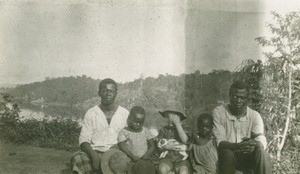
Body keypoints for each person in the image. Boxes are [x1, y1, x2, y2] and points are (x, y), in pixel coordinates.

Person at [71, 78, 129, 174]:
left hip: (116, 152)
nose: (108, 94)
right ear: (99, 93)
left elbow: (129, 138)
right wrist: (94, 157)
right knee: (77, 158)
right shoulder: (91, 113)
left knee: (123, 162)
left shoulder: (124, 113)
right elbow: (83, 140)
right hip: (95, 151)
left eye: (111, 91)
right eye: (104, 91)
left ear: (116, 93)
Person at [212, 80, 271, 174]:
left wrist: (254, 143)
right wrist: (238, 146)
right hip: (227, 157)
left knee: (262, 153)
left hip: (248, 158)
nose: (238, 101)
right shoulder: (219, 112)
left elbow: (261, 138)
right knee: (228, 154)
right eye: (235, 96)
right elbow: (220, 142)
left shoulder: (255, 116)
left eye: (242, 98)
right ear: (229, 96)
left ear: (247, 99)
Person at [118, 106, 156, 174]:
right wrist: (132, 156)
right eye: (135, 121)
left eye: (140, 122)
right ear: (130, 118)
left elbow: (152, 145)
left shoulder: (145, 131)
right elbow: (121, 145)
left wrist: (147, 155)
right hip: (131, 159)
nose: (137, 124)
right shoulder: (125, 132)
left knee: (144, 169)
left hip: (144, 160)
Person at [157, 102, 190, 174]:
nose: (170, 120)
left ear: (179, 118)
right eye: (167, 117)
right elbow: (158, 144)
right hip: (167, 158)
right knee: (162, 170)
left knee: (183, 172)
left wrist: (177, 124)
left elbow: (185, 140)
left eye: (173, 118)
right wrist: (166, 147)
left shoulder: (183, 129)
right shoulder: (163, 130)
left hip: (181, 158)